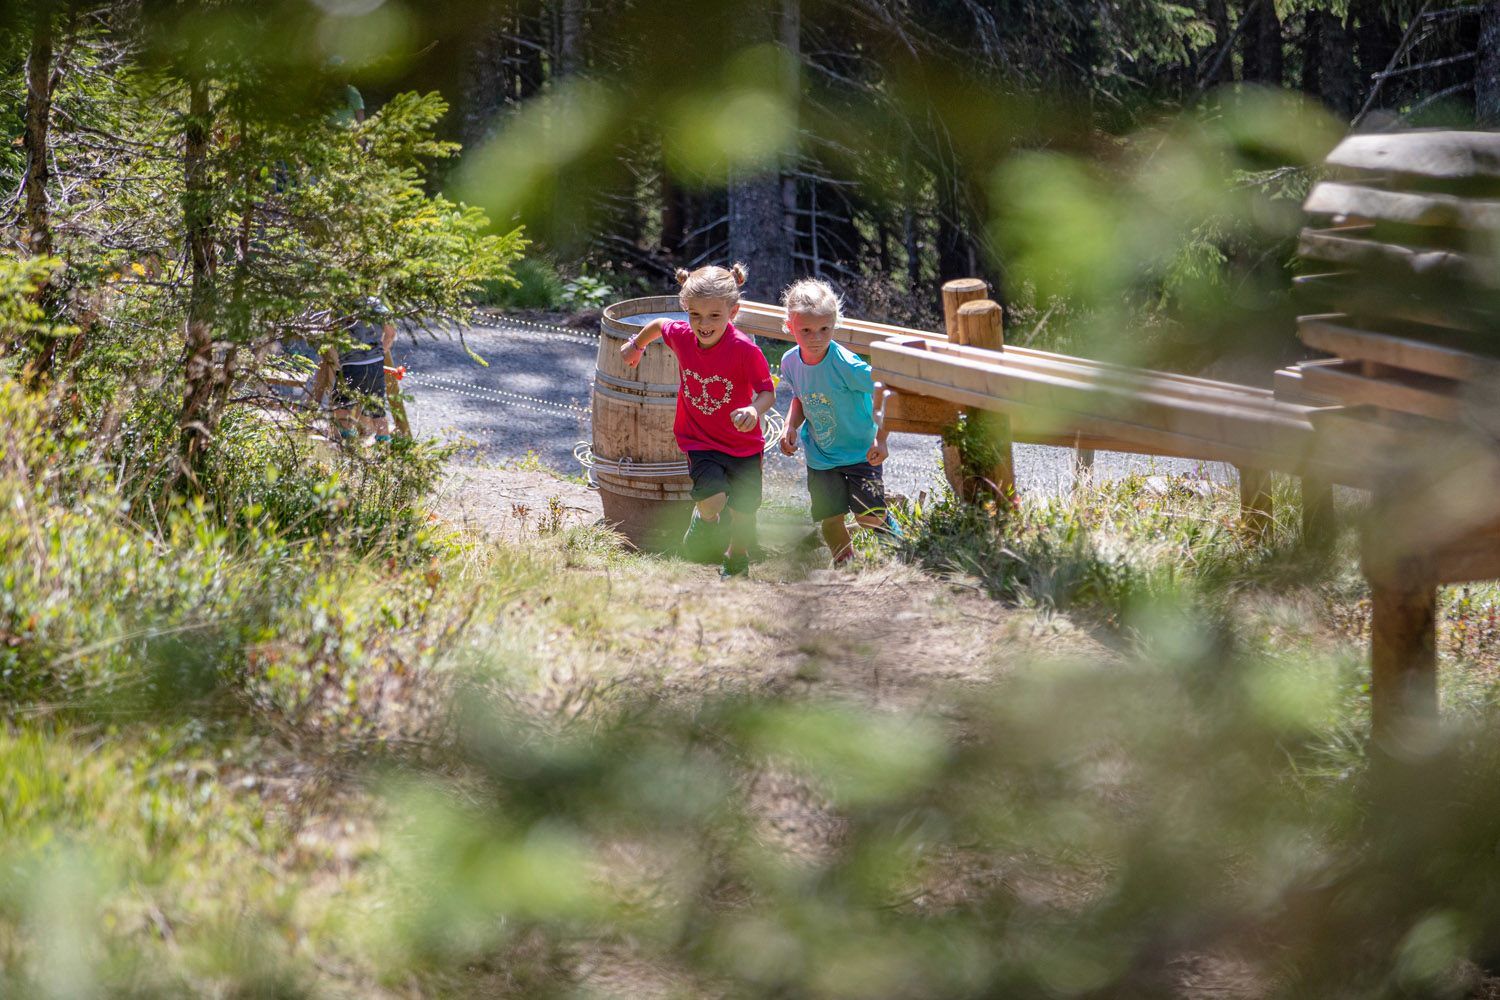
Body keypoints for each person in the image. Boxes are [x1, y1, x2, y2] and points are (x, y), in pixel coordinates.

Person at [621, 263, 775, 578]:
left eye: (714, 316)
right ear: (687, 310)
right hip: (700, 439)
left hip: (744, 445)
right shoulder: (682, 336)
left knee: (744, 511)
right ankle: (704, 520)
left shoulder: (745, 350)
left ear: (733, 312)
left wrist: (753, 410)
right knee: (712, 502)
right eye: (695, 315)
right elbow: (659, 324)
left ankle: (736, 559)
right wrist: (636, 346)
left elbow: (767, 392)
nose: (704, 324)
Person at [776, 278, 895, 564]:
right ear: (790, 326)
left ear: (834, 324)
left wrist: (881, 439)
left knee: (869, 517)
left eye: (824, 329)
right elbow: (800, 398)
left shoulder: (847, 365)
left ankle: (898, 547)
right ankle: (846, 566)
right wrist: (790, 426)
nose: (816, 338)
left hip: (861, 452)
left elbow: (887, 394)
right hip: (821, 456)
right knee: (830, 520)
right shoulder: (790, 362)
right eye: (806, 330)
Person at [329, 297, 397, 443]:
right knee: (377, 410)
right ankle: (385, 447)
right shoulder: (376, 303)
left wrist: (338, 361)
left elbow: (329, 334)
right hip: (376, 364)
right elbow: (391, 333)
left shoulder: (341, 303)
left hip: (351, 364)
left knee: (341, 406)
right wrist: (381, 352)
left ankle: (348, 444)